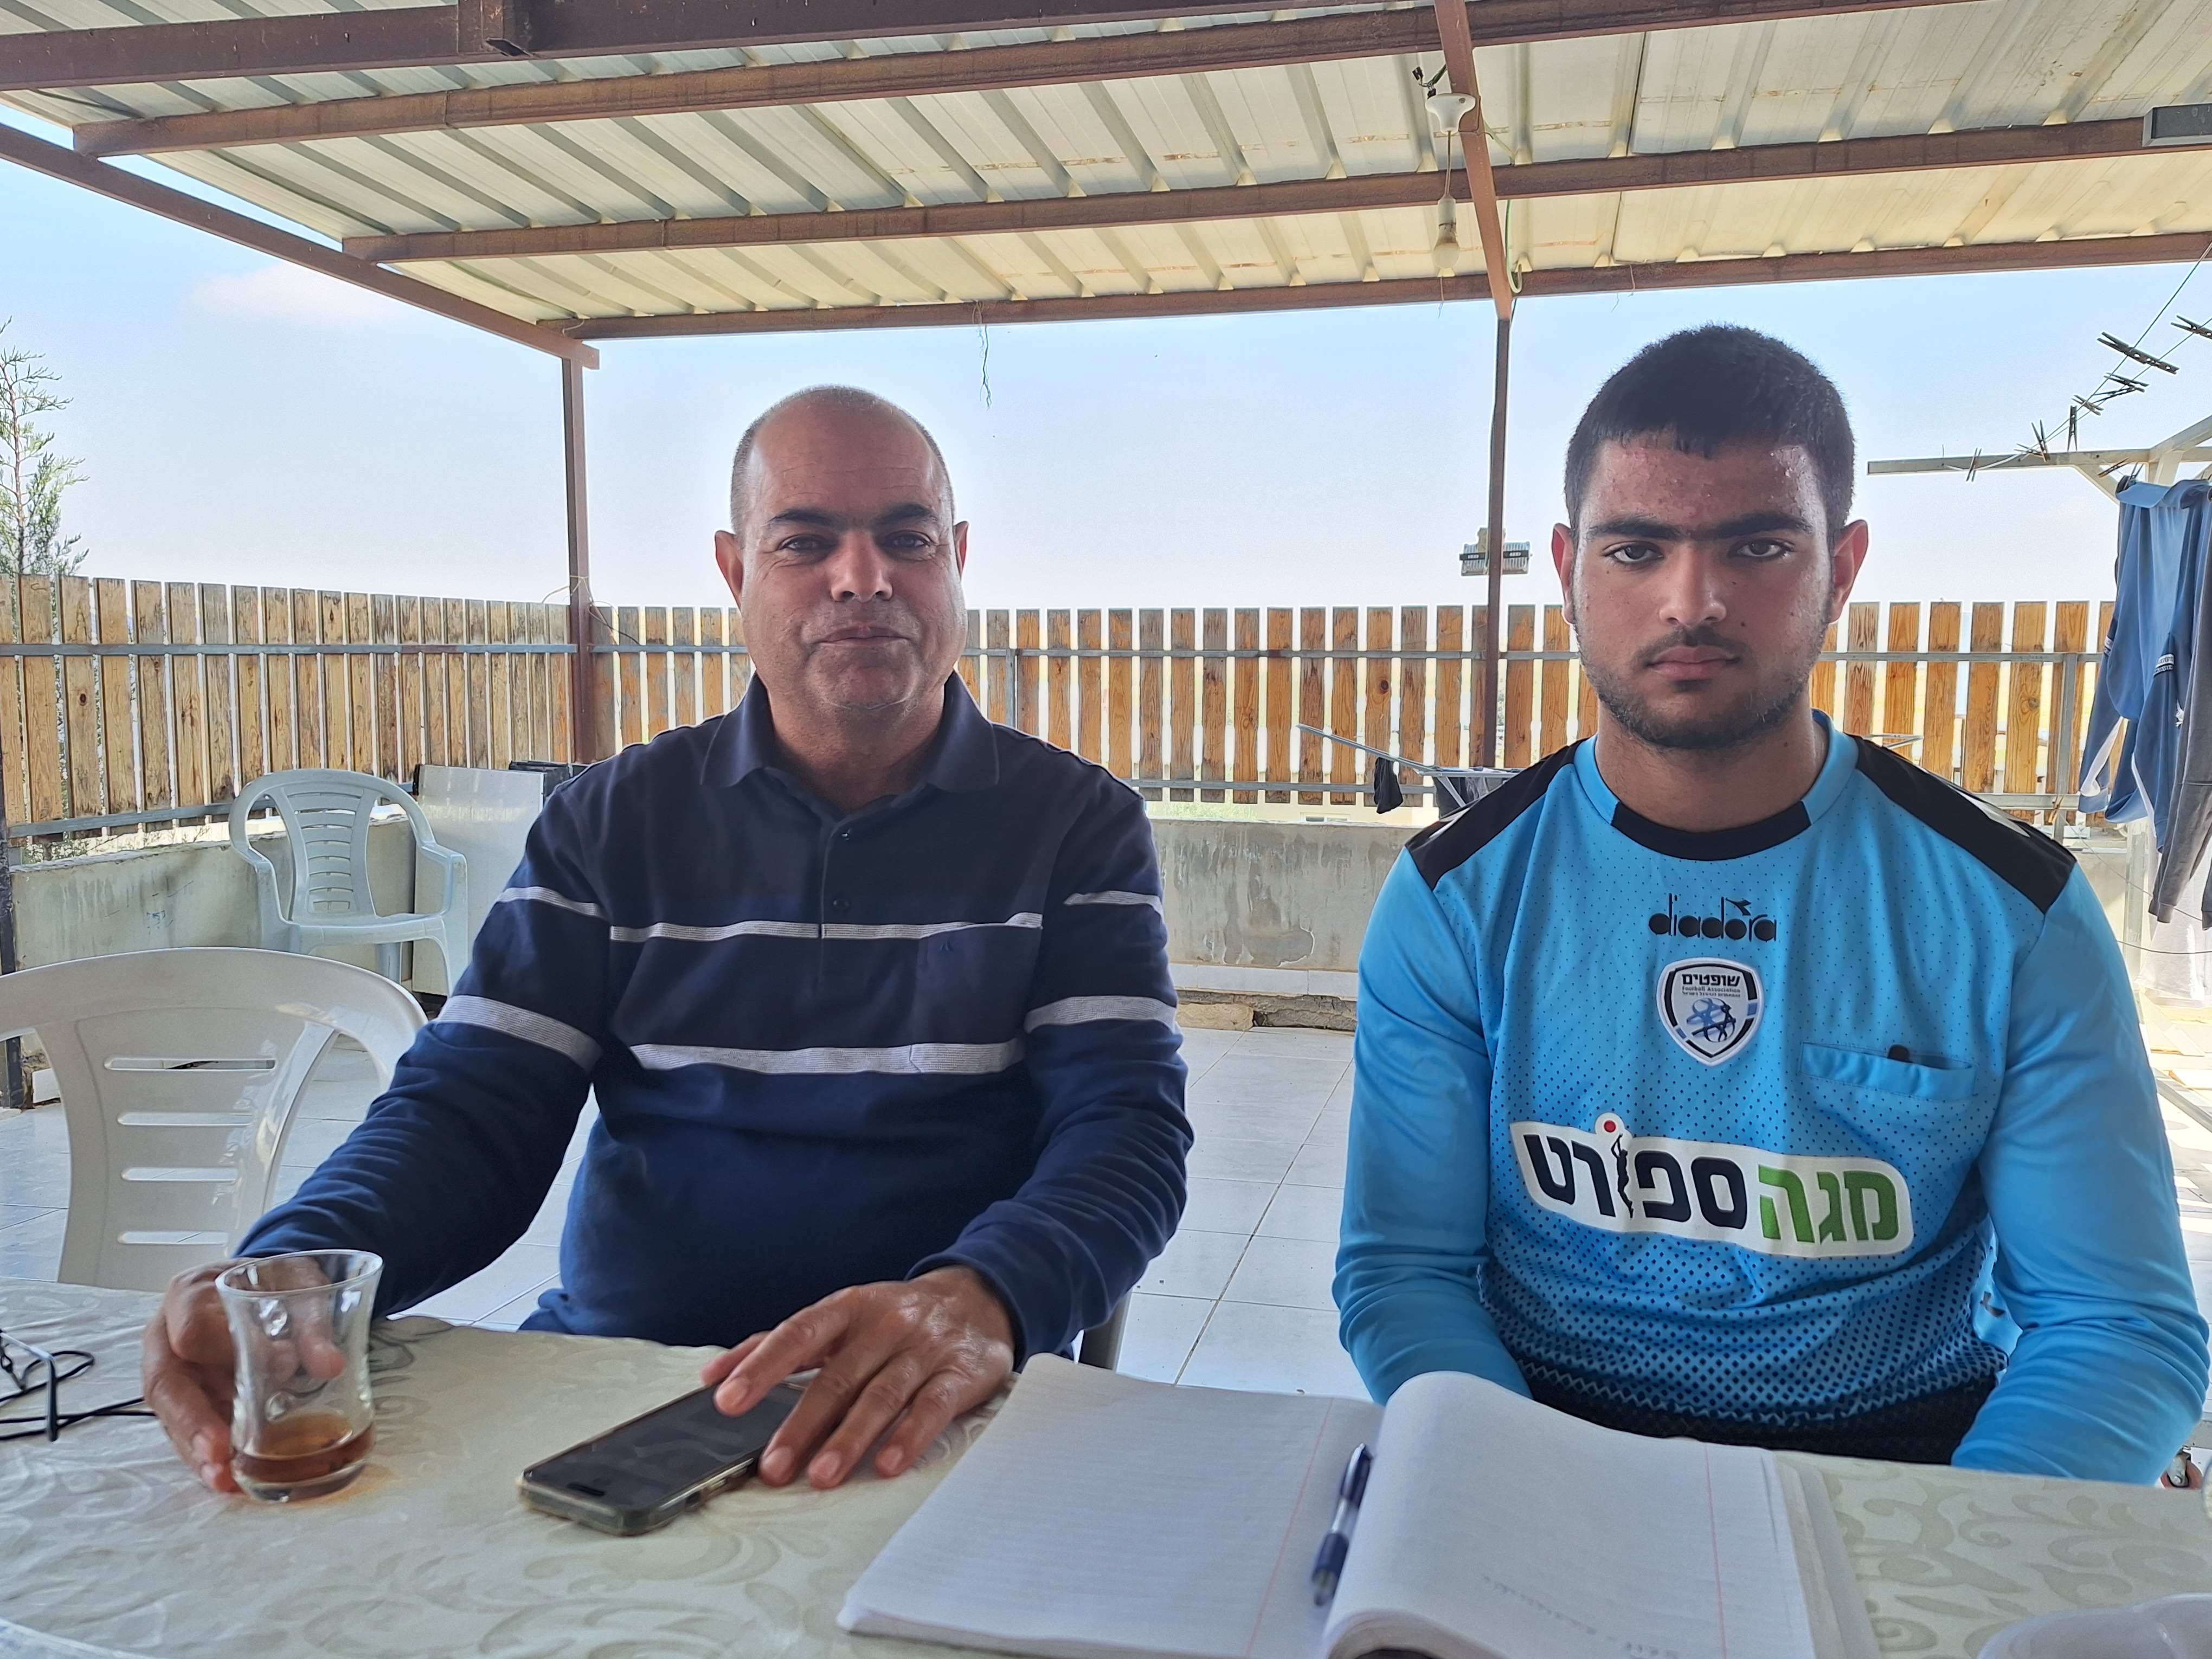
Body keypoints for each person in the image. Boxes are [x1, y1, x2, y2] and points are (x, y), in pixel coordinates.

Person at [143, 386, 1189, 1496]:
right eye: (807, 540)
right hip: (624, 1387)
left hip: (924, 1415)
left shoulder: (1075, 824)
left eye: (907, 537)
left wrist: (983, 1300)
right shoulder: (615, 820)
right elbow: (473, 1111)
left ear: (958, 560)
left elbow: (1125, 1134)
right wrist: (294, 1268)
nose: (863, 576)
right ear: (737, 573)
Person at [1335, 325, 2210, 1482]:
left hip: (1907, 1456)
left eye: (1755, 546)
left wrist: (1951, 1564)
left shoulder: (2010, 909)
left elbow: (2116, 1324)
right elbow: (1405, 1274)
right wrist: (1515, 1488)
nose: (1691, 601)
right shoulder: (1457, 899)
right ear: (1567, 567)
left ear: (1841, 569)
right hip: (1541, 1433)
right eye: (1638, 550)